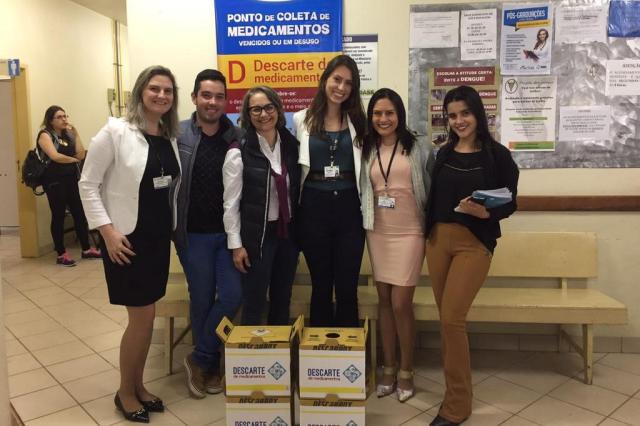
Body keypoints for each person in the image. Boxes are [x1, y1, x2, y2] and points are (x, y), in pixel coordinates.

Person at [79, 65, 181, 423]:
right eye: (155, 89)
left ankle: (137, 386)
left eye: (168, 91)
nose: (162, 96)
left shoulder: (167, 136)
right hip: (125, 239)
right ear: (141, 92)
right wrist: (106, 232)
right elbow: (87, 184)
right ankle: (125, 392)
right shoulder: (114, 132)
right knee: (142, 317)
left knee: (146, 316)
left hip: (156, 238)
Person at [425, 86, 519, 426]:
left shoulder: (498, 156)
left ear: (478, 114)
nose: (459, 120)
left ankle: (456, 406)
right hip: (438, 241)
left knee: (452, 319)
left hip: (473, 244)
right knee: (447, 323)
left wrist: (485, 215)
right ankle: (456, 392)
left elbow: (510, 202)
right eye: (452, 115)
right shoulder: (443, 154)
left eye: (465, 113)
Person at [360, 88, 434, 403]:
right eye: (378, 113)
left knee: (402, 301)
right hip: (379, 231)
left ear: (399, 115)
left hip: (411, 231)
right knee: (385, 299)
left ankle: (406, 369)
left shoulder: (418, 146)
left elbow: (431, 185)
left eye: (389, 113)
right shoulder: (366, 148)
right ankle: (387, 367)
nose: (384, 119)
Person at [174, 69, 244, 398]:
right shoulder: (178, 133)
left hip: (228, 235)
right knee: (201, 299)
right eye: (206, 95)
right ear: (194, 98)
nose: (212, 102)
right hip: (193, 235)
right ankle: (210, 366)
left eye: (218, 96)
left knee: (231, 296)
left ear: (226, 101)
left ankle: (199, 357)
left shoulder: (238, 136)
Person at [293, 54, 366, 327]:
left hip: (349, 210)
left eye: (348, 83)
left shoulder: (360, 121)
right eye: (337, 79)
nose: (341, 87)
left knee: (347, 287)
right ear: (325, 80)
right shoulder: (301, 120)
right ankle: (320, 361)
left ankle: (348, 359)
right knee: (321, 285)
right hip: (313, 208)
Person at [223, 86, 301, 325]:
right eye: (256, 109)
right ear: (247, 114)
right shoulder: (239, 150)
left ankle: (279, 357)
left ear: (277, 109)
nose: (263, 114)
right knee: (255, 300)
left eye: (268, 107)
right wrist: (236, 245)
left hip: (287, 235)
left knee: (282, 298)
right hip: (257, 238)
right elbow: (231, 202)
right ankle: (253, 358)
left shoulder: (290, 144)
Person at [37, 106, 101, 266]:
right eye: (59, 117)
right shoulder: (45, 135)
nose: (64, 119)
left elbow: (80, 154)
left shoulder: (68, 135)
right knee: (58, 215)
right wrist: (73, 160)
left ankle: (87, 250)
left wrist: (76, 133)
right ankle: (61, 253)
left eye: (65, 116)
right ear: (50, 120)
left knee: (79, 213)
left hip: (71, 179)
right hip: (54, 181)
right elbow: (55, 156)